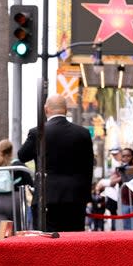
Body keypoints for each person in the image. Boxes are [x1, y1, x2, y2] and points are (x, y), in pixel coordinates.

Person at [18, 95, 95, 233]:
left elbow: (22, 156)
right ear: (66, 110)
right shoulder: (83, 133)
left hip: (46, 196)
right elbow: (88, 166)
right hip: (75, 198)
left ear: (46, 109)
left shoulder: (37, 132)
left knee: (47, 243)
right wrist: (86, 196)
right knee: (74, 241)